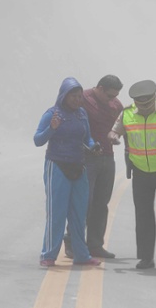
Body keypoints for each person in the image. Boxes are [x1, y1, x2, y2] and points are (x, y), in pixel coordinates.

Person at [108, 80, 156, 269]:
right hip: (141, 172)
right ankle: (146, 257)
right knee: (143, 215)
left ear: (155, 99)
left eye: (148, 104)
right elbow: (114, 131)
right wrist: (113, 137)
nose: (144, 108)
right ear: (135, 103)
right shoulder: (126, 114)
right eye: (140, 105)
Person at [34, 77, 101, 267]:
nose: (77, 100)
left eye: (80, 96)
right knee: (57, 213)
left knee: (79, 214)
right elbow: (38, 140)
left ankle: (82, 255)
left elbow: (87, 138)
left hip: (79, 166)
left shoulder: (82, 114)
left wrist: (93, 146)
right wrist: (51, 129)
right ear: (64, 95)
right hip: (57, 166)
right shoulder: (52, 114)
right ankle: (48, 255)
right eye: (73, 96)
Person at [64, 75, 123, 259]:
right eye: (109, 95)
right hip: (86, 158)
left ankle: (95, 244)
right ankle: (72, 241)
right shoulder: (83, 100)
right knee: (83, 202)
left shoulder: (116, 105)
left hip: (108, 157)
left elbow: (122, 126)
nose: (112, 99)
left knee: (101, 203)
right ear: (99, 88)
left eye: (115, 96)